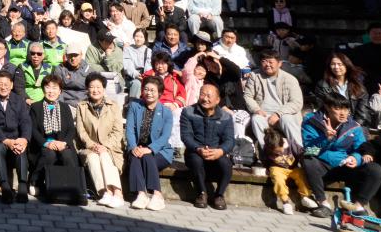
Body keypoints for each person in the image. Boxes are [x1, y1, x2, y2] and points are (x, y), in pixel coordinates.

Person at [301, 91, 381, 218]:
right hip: (323, 165)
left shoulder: (354, 126)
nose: (343, 113)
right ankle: (323, 203)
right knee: (308, 160)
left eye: (345, 109)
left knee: (375, 170)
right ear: (327, 107)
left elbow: (361, 148)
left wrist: (356, 158)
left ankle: (358, 206)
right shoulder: (311, 121)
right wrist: (326, 139)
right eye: (337, 108)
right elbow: (309, 150)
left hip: (345, 166)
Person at [179, 81, 234, 210]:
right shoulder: (188, 112)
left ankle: (219, 195)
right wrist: (198, 148)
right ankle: (202, 193)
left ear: (217, 100)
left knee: (226, 164)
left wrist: (220, 151)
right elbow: (186, 136)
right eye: (202, 94)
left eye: (209, 96)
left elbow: (230, 140)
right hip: (195, 151)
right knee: (196, 160)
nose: (205, 99)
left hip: (216, 152)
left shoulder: (226, 117)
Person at [0, 70, 32, 204]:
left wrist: (24, 139)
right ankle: (5, 187)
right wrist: (6, 141)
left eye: (6, 84)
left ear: (12, 85)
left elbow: (25, 121)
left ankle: (22, 186)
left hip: (15, 139)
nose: (3, 87)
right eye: (0, 84)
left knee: (21, 147)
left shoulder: (18, 100)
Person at [76, 73, 125, 208]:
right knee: (92, 157)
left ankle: (118, 193)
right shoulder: (82, 106)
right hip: (89, 148)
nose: (95, 90)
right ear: (87, 89)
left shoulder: (113, 106)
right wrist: (92, 145)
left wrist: (105, 146)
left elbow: (117, 131)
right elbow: (81, 131)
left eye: (98, 87)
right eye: (92, 87)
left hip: (111, 147)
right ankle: (105, 192)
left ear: (103, 89)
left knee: (104, 155)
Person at [125, 75, 173, 211]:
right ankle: (141, 194)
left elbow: (165, 136)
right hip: (137, 147)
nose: (149, 93)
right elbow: (130, 129)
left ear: (160, 93)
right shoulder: (135, 106)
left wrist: (150, 149)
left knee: (147, 156)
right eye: (146, 89)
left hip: (160, 151)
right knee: (135, 156)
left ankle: (157, 195)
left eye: (152, 90)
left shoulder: (166, 112)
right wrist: (133, 147)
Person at [245, 50, 304, 150]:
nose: (267, 65)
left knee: (287, 119)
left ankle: (299, 150)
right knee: (256, 119)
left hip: (284, 114)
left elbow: (297, 102)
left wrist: (278, 114)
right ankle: (267, 151)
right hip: (264, 113)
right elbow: (248, 96)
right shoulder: (255, 76)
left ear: (279, 63)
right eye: (264, 61)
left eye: (270, 62)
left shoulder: (290, 79)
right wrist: (256, 109)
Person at [29, 74, 79, 193]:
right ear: (43, 89)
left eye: (55, 88)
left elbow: (71, 129)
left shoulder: (65, 107)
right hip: (43, 144)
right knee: (49, 154)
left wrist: (64, 143)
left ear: (60, 91)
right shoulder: (35, 107)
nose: (51, 91)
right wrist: (46, 143)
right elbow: (33, 129)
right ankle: (36, 182)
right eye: (48, 87)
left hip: (62, 143)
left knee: (67, 155)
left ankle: (72, 185)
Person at [262, 124, 317, 215]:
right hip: (277, 168)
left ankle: (305, 196)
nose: (279, 153)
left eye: (280, 150)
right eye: (276, 152)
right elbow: (265, 160)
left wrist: (308, 153)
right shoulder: (266, 149)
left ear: (283, 143)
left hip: (293, 168)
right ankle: (285, 202)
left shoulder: (290, 144)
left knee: (301, 176)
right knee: (278, 179)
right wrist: (267, 169)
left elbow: (301, 153)